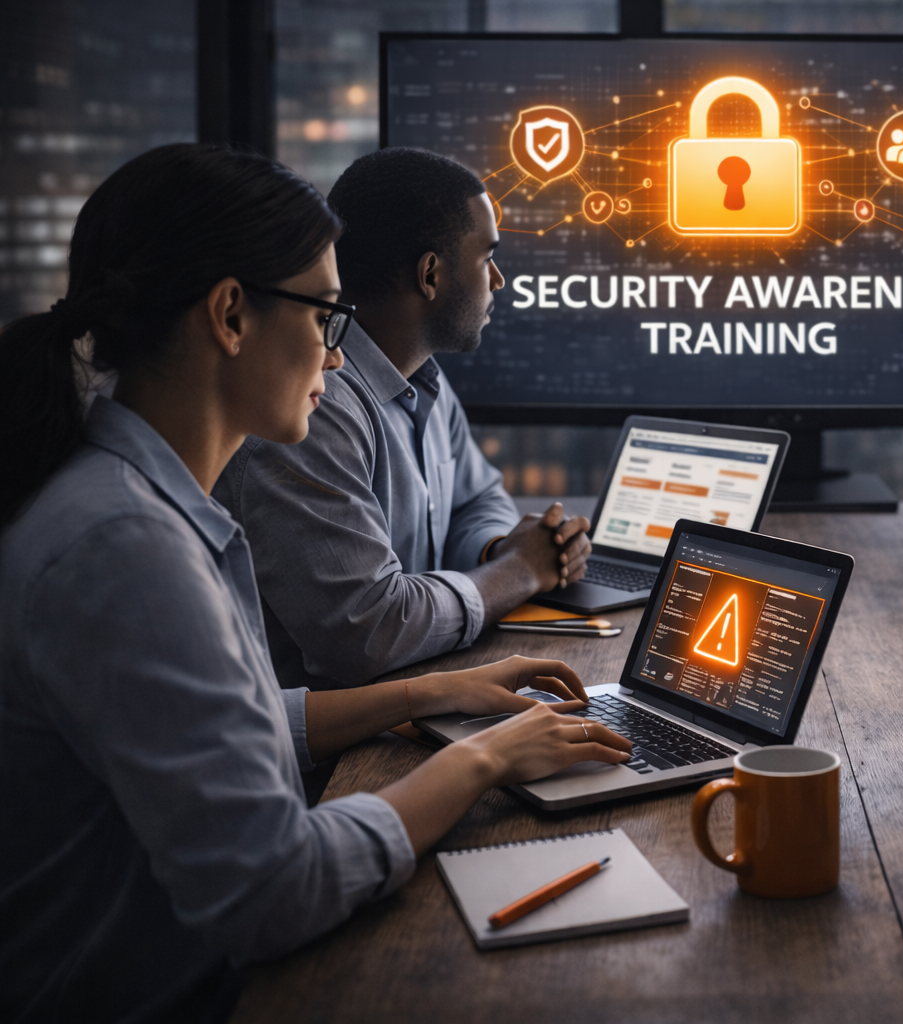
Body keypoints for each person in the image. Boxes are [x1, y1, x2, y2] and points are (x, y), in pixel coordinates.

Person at [0, 144, 631, 1023]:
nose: (337, 360)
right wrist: (484, 757)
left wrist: (427, 691)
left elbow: (232, 725)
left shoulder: (141, 503)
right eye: (327, 318)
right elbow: (278, 887)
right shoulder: (124, 549)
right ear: (230, 316)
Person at [212, 146, 591, 692]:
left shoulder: (424, 376)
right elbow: (367, 633)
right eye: (487, 257)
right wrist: (518, 572)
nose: (499, 280)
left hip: (419, 690)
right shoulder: (312, 406)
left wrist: (496, 550)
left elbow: (477, 497)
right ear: (430, 274)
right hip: (335, 757)